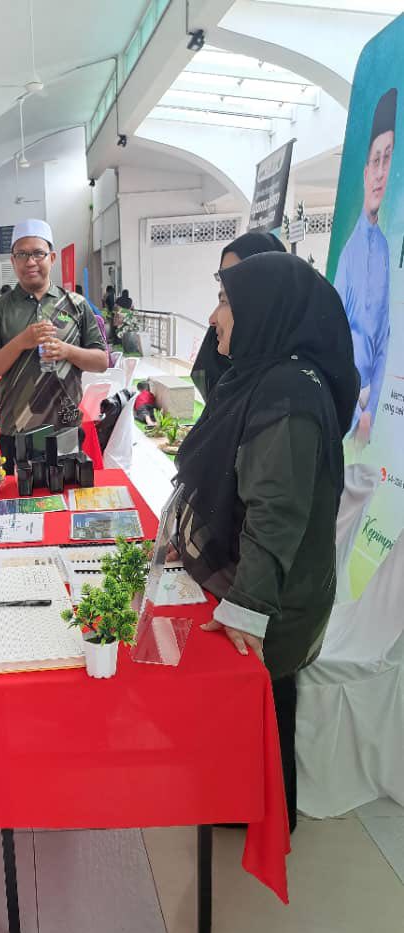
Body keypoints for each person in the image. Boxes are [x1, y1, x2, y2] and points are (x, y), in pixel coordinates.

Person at [173, 253, 359, 831]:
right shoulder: (265, 377)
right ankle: (255, 803)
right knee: (265, 708)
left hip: (276, 596)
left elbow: (274, 511)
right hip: (267, 581)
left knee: (265, 703)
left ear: (264, 309)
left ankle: (263, 814)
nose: (214, 317)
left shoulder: (287, 395)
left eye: (225, 302)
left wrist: (247, 608)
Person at [0, 219, 107, 469]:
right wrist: (21, 342)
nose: (30, 261)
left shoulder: (76, 305)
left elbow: (101, 361)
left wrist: (67, 351)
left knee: (65, 490)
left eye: (38, 253)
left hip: (66, 427)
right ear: (13, 260)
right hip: (17, 430)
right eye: (22, 254)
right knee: (20, 491)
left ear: (52, 258)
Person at [335, 87, 396, 446]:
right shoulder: (347, 255)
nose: (381, 172)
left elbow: (384, 338)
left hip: (370, 413)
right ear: (364, 171)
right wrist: (357, 414)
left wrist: (371, 410)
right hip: (345, 409)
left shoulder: (385, 248)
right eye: (376, 160)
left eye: (388, 159)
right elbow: (335, 340)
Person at [191, 230, 287, 402]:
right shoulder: (219, 342)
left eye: (237, 272)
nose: (228, 279)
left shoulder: (286, 385)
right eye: (222, 274)